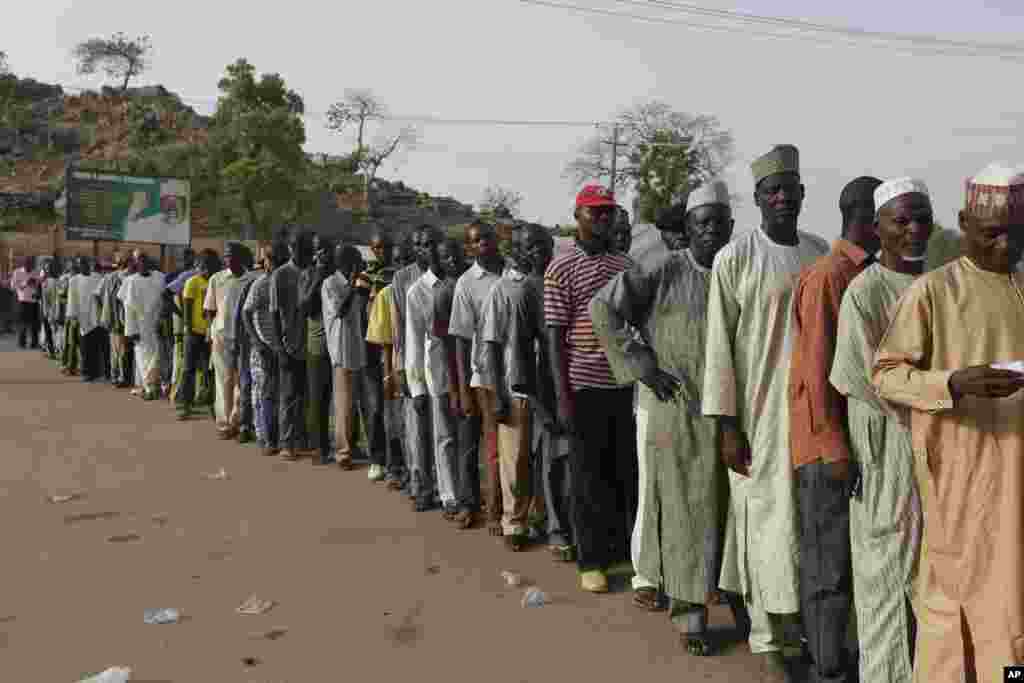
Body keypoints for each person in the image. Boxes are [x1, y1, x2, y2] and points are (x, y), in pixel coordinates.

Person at [871, 162, 1024, 683]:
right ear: (963, 223)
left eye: (1017, 234)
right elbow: (886, 375)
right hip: (962, 479)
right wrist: (953, 384)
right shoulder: (933, 293)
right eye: (992, 234)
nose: (1005, 246)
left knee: (1014, 606)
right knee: (962, 600)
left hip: (1019, 479)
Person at [591, 180, 736, 653]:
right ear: (687, 230)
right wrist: (642, 363)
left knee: (733, 510)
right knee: (683, 509)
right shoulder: (663, 268)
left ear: (731, 227)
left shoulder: (739, 271)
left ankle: (737, 601)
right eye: (701, 223)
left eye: (718, 222)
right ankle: (689, 614)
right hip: (679, 410)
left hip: (735, 413)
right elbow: (604, 309)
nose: (710, 231)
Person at [701, 145, 829, 679]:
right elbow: (718, 349)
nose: (782, 197)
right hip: (758, 415)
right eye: (771, 190)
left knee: (803, 521)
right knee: (763, 519)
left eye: (790, 188)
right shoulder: (735, 257)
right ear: (757, 199)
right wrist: (728, 426)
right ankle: (767, 635)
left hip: (811, 413)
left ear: (803, 194)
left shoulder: (818, 252)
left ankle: (800, 623)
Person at [830, 178, 931, 683]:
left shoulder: (939, 286)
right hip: (884, 448)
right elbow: (863, 379)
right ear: (878, 229)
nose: (914, 230)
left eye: (922, 219)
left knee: (933, 580)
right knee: (882, 578)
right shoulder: (863, 292)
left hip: (936, 450)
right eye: (902, 221)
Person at [788, 175, 884, 683]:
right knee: (829, 565)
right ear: (865, 218)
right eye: (889, 216)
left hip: (856, 442)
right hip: (829, 447)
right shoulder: (831, 274)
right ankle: (827, 669)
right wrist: (834, 447)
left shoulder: (869, 273)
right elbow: (817, 368)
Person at [544, 184, 637, 594]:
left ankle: (617, 551)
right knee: (586, 477)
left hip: (621, 385)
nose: (602, 219)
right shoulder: (560, 267)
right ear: (578, 215)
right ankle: (590, 559)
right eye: (595, 213)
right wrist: (562, 396)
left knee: (621, 472)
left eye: (608, 213)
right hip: (582, 386)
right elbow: (554, 338)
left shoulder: (625, 264)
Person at [482, 223, 556, 552]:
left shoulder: (550, 284)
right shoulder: (503, 290)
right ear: (517, 250)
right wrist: (496, 392)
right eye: (530, 246)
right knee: (515, 458)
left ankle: (542, 517)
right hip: (516, 387)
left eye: (542, 245)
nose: (537, 252)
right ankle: (513, 522)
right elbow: (492, 346)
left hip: (550, 386)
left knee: (545, 459)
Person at [450, 221, 505, 533]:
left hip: (516, 371)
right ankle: (484, 508)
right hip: (483, 374)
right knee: (488, 445)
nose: (481, 244)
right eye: (475, 241)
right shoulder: (466, 284)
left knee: (510, 447)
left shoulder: (512, 273)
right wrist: (462, 387)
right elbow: (461, 337)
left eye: (486, 238)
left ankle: (509, 508)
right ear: (469, 248)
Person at [406, 227, 460, 513]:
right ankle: (449, 494)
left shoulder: (458, 282)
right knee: (444, 436)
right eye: (423, 246)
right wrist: (416, 387)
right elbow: (414, 342)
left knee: (462, 436)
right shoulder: (418, 291)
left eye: (433, 245)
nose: (428, 251)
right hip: (436, 371)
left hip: (466, 369)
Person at [433, 237, 479, 527]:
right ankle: (467, 502)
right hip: (461, 375)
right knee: (466, 444)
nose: (450, 260)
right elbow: (447, 347)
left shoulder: (475, 281)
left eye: (454, 254)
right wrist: (456, 388)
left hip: (488, 371)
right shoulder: (444, 294)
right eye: (444, 257)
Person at [366, 238, 414, 489]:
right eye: (399, 262)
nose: (403, 267)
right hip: (396, 366)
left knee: (415, 425)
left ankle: (417, 472)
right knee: (394, 420)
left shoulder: (423, 288)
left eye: (407, 260)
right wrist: (388, 375)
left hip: (421, 367)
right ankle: (396, 468)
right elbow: (384, 341)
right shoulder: (385, 294)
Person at [323, 243, 369, 470]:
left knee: (355, 403)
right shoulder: (330, 283)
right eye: (356, 258)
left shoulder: (359, 282)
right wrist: (352, 284)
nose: (359, 262)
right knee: (342, 404)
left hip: (356, 347)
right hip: (341, 351)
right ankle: (342, 452)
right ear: (345, 261)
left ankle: (353, 444)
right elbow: (340, 311)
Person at [270, 226, 313, 461]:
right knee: (288, 396)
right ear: (290, 248)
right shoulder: (281, 275)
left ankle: (304, 439)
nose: (302, 251)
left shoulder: (315, 272)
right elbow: (274, 314)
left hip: (312, 346)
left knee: (307, 396)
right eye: (297, 247)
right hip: (289, 344)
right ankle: (286, 442)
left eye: (305, 248)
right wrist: (279, 347)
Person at [244, 236, 289, 457]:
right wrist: (257, 342)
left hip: (285, 347)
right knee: (266, 394)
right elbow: (246, 313)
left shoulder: (286, 280)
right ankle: (267, 438)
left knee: (282, 394)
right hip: (266, 348)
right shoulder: (260, 284)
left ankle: (280, 437)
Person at [205, 242, 248, 437]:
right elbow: (209, 310)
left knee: (242, 381)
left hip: (244, 338)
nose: (228, 259)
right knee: (224, 380)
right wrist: (210, 331)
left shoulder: (251, 279)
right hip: (221, 336)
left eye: (232, 255)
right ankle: (224, 423)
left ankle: (237, 420)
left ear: (240, 257)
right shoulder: (217, 279)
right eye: (226, 256)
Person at [301, 234, 335, 463]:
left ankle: (347, 444)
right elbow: (304, 307)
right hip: (318, 346)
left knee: (343, 401)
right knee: (318, 400)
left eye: (325, 248)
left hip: (340, 346)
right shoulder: (308, 274)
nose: (321, 253)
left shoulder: (340, 272)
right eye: (317, 249)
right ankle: (319, 448)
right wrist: (318, 278)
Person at [176, 250, 219, 420]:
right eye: (204, 265)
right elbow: (187, 309)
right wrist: (188, 329)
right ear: (199, 266)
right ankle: (185, 405)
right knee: (188, 370)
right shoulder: (192, 282)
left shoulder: (216, 281)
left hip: (211, 333)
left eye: (211, 265)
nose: (207, 269)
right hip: (194, 333)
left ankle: (212, 405)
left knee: (210, 372)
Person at [119, 253, 166, 400]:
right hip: (139, 326)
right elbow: (127, 307)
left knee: (156, 356)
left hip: (156, 324)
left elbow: (165, 300)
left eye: (145, 261)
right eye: (140, 262)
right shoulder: (130, 281)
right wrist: (131, 330)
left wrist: (162, 321)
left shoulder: (159, 278)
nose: (143, 265)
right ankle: (148, 387)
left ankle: (152, 385)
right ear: (136, 264)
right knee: (142, 357)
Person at [229, 248, 262, 444]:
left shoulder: (260, 280)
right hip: (246, 343)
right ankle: (244, 425)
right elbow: (240, 317)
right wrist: (237, 343)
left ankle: (258, 427)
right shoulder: (251, 284)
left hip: (263, 344)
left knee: (258, 387)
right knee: (246, 384)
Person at [67, 256, 105, 382]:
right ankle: (86, 371)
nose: (84, 266)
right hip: (83, 317)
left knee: (96, 345)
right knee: (85, 346)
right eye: (81, 264)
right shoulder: (74, 280)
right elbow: (72, 299)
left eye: (85, 263)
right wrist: (73, 316)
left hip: (97, 315)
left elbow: (102, 295)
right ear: (78, 267)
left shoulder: (98, 277)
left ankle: (97, 371)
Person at [10, 256, 40, 349]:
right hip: (23, 301)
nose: (29, 266)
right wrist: (25, 283)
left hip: (34, 301)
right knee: (23, 323)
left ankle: (34, 343)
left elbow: (39, 285)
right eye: (27, 263)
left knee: (34, 324)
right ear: (24, 263)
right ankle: (22, 342)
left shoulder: (36, 272)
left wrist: (36, 285)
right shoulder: (17, 272)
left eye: (31, 264)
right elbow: (13, 286)